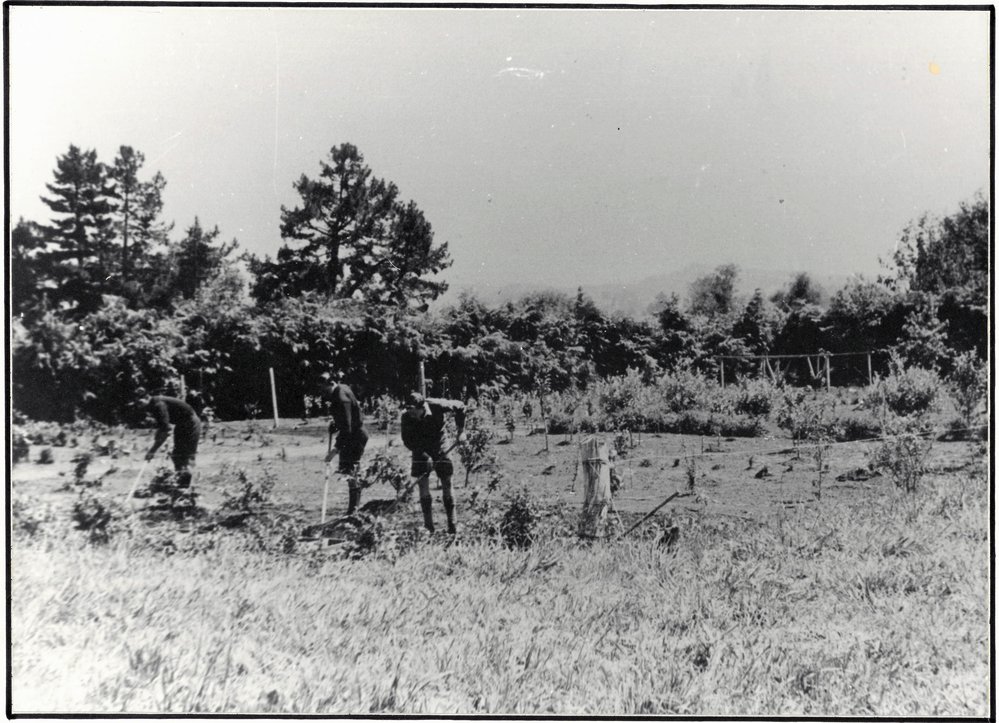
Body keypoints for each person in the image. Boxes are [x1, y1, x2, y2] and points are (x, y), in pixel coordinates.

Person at [401, 392, 467, 534]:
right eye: (409, 412)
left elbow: (461, 406)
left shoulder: (437, 405)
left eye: (414, 413)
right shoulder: (406, 417)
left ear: (422, 407)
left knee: (447, 482)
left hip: (440, 445)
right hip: (420, 449)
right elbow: (407, 441)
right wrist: (425, 456)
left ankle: (453, 525)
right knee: (422, 484)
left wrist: (461, 431)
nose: (412, 416)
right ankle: (428, 526)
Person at [321, 382, 369, 515]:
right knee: (348, 472)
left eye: (325, 389)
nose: (324, 393)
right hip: (352, 436)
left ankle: (353, 511)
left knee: (351, 472)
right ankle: (352, 509)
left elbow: (347, 428)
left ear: (331, 383)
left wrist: (335, 450)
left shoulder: (341, 396)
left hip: (355, 437)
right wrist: (336, 425)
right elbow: (347, 418)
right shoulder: (341, 389)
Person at [142, 392, 202, 488]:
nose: (138, 405)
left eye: (139, 402)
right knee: (177, 456)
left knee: (187, 456)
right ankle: (181, 486)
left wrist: (152, 451)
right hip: (181, 425)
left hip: (191, 423)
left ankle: (189, 489)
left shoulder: (158, 404)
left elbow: (166, 430)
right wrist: (158, 434)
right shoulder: (154, 405)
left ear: (146, 397)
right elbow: (162, 426)